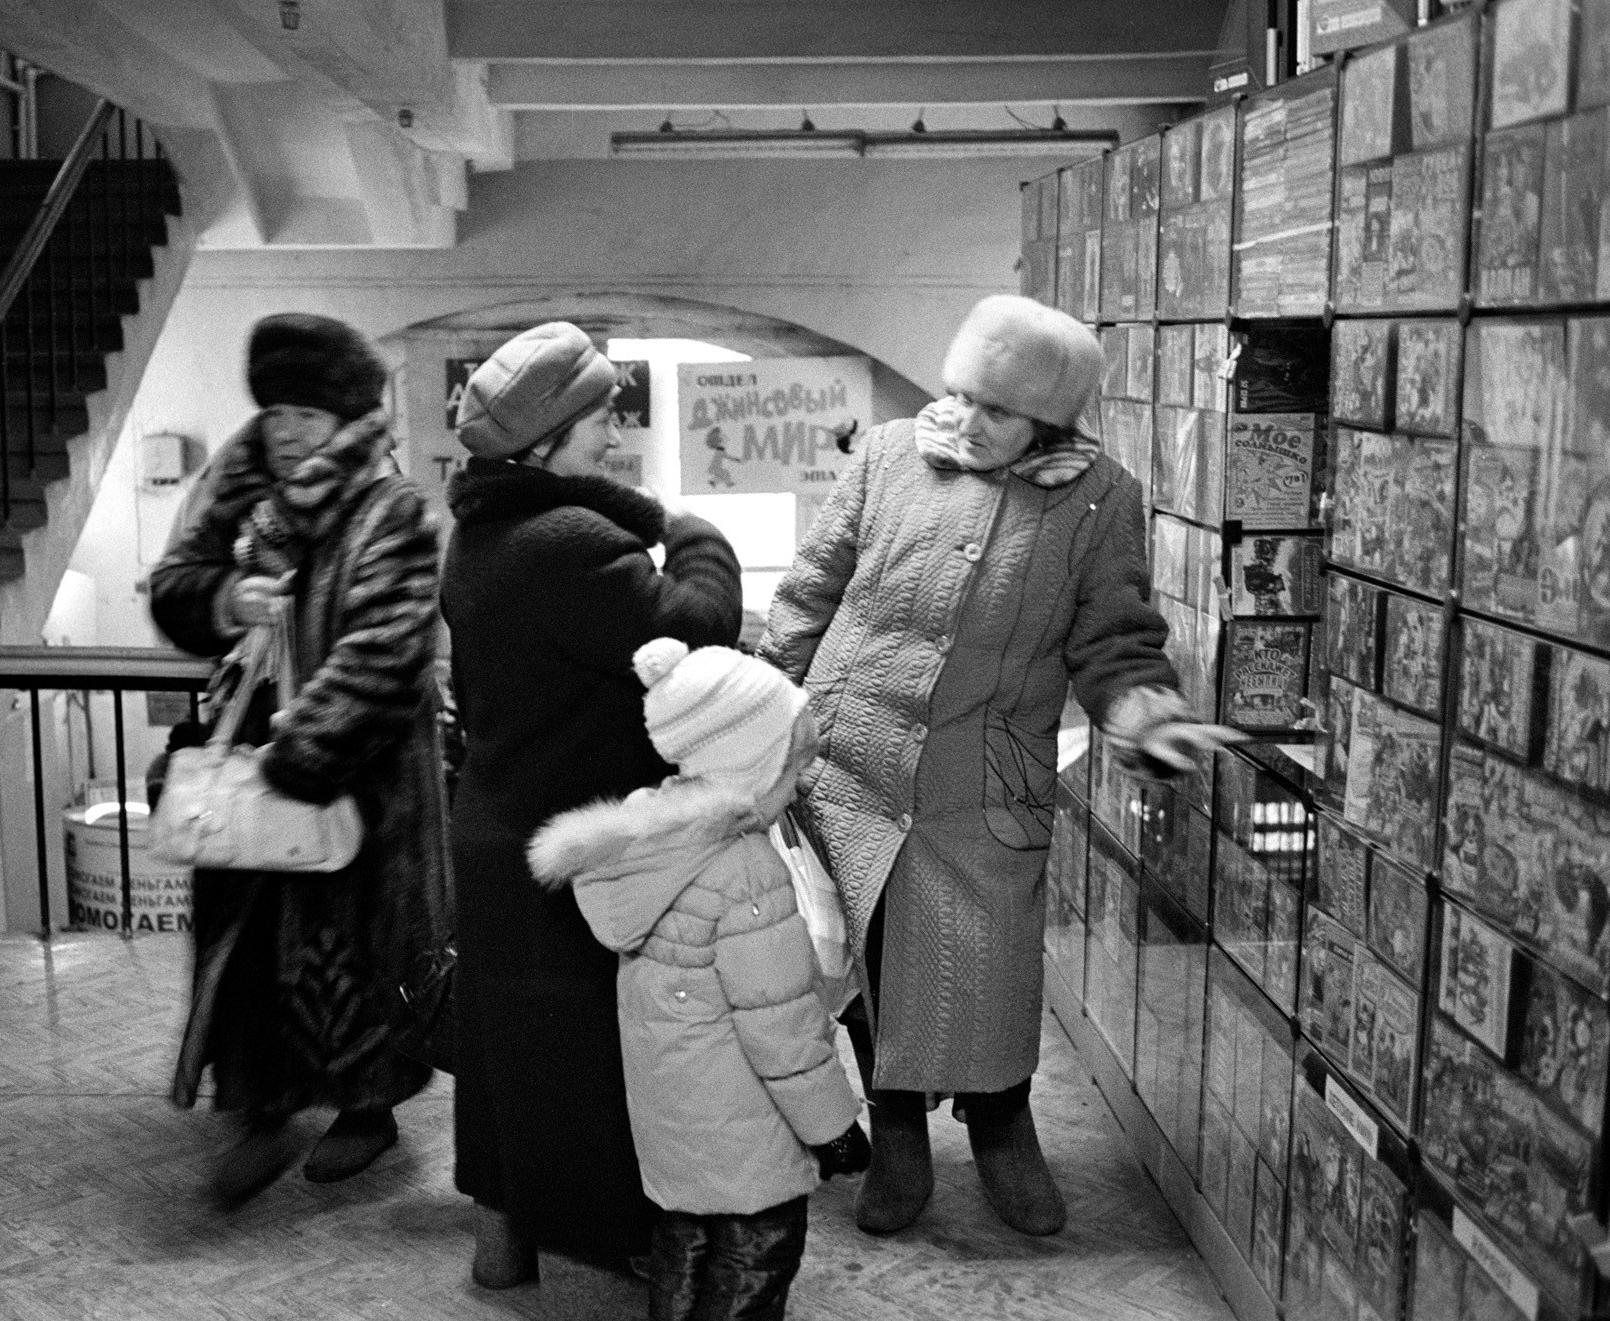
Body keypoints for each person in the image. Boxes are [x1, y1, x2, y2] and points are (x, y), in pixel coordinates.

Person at [760, 294, 1241, 1238]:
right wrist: (769, 715)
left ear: (1051, 423)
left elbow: (1118, 639)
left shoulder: (1101, 497)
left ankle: (1002, 1126)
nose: (967, 423)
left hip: (982, 782)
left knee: (989, 968)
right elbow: (810, 588)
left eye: (998, 410)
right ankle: (895, 1132)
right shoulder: (891, 455)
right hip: (846, 765)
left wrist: (1145, 716)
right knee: (865, 957)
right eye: (960, 395)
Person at [441, 321, 744, 1286]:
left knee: (504, 1045)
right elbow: (691, 630)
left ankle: (501, 1238)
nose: (614, 436)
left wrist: (625, 512)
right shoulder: (565, 541)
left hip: (499, 827)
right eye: (603, 418)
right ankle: (612, 1233)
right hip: (574, 840)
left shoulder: (482, 529)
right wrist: (695, 531)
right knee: (584, 1053)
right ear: (550, 438)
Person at [149, 313, 447, 1202]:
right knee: (247, 950)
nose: (286, 430)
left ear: (349, 421)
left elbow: (388, 651)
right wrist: (223, 596)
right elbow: (173, 586)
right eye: (276, 410)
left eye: (309, 415)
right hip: (246, 768)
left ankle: (369, 1105)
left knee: (363, 946)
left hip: (362, 775)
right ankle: (258, 1105)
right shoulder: (234, 493)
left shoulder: (391, 511)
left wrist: (305, 754)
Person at [529, 637, 871, 1321]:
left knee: (685, 1247)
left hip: (674, 1124)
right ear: (748, 765)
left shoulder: (649, 842)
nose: (804, 778)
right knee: (757, 1257)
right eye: (794, 760)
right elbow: (782, 1029)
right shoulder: (744, 869)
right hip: (747, 1131)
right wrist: (834, 1127)